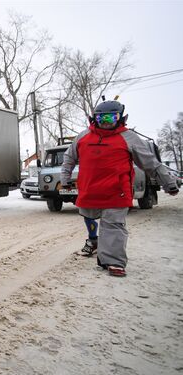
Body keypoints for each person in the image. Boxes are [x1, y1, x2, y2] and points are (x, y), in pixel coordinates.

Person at [61, 99, 179, 277]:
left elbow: (150, 163)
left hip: (117, 190)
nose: (106, 122)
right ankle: (96, 245)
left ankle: (113, 262)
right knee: (90, 218)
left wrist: (168, 182)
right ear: (94, 119)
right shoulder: (83, 136)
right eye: (101, 118)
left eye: (111, 118)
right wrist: (65, 177)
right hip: (90, 191)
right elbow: (69, 158)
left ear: (121, 118)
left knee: (113, 226)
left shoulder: (129, 137)